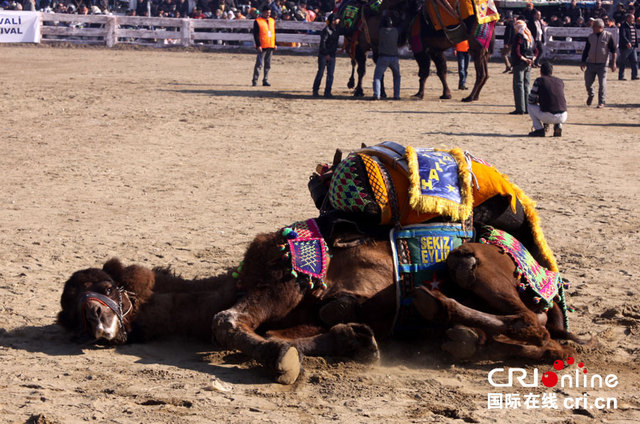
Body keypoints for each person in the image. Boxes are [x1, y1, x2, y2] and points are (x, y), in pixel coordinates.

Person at [580, 18, 617, 107]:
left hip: (603, 64)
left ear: (600, 27)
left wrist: (613, 63)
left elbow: (614, 51)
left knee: (602, 83)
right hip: (591, 63)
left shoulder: (608, 36)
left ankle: (601, 101)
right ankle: (591, 94)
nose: (592, 28)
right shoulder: (590, 37)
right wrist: (583, 61)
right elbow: (586, 50)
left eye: (594, 27)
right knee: (588, 82)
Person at [527, 62, 568, 137]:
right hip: (563, 115)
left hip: (548, 115)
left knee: (530, 106)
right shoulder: (560, 81)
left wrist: (538, 100)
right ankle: (558, 125)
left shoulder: (539, 81)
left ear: (541, 72)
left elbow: (531, 99)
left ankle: (539, 129)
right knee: (556, 103)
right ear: (552, 72)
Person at [510, 19, 537, 114]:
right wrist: (532, 59)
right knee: (526, 85)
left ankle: (520, 108)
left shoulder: (519, 37)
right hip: (529, 63)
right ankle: (527, 108)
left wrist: (525, 59)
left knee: (518, 85)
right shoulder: (530, 36)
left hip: (520, 63)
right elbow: (536, 50)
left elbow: (517, 52)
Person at [372, 15, 401, 100]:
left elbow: (379, 27)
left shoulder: (381, 31)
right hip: (394, 58)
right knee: (397, 76)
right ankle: (396, 95)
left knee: (377, 76)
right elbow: (401, 26)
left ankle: (377, 95)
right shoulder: (396, 31)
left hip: (383, 57)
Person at [313, 13, 341, 98]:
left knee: (330, 74)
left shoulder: (335, 30)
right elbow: (323, 44)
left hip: (331, 54)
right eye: (337, 19)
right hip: (325, 55)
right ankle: (316, 90)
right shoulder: (326, 31)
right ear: (333, 21)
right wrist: (327, 54)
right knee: (321, 73)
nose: (338, 21)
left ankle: (327, 91)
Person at [252, 6, 277, 87]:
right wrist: (258, 45)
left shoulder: (272, 21)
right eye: (266, 13)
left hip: (270, 45)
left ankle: (265, 80)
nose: (268, 14)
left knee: (268, 65)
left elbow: (273, 33)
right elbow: (255, 35)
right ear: (262, 12)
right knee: (259, 64)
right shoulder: (257, 21)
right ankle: (255, 80)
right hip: (262, 46)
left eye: (269, 13)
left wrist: (274, 44)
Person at [618, 13, 639, 80]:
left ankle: (634, 75)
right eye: (632, 18)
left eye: (633, 18)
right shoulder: (623, 26)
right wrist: (627, 42)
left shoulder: (633, 25)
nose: (633, 19)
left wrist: (635, 44)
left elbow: (635, 35)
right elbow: (622, 36)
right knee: (623, 62)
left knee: (635, 61)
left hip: (632, 47)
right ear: (628, 18)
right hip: (625, 47)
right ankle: (621, 76)